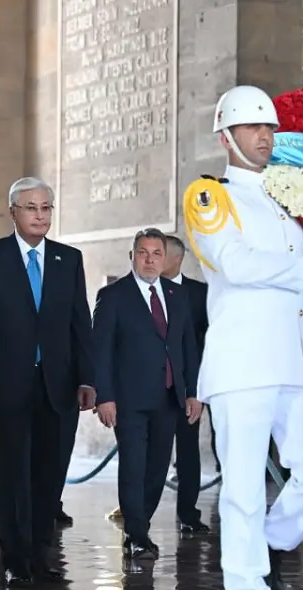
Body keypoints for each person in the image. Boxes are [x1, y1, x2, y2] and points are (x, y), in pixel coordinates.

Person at [182, 85, 303, 590]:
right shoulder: (211, 196)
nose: (264, 136)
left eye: (270, 128)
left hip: (300, 358)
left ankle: (270, 548)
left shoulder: (288, 201)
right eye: (253, 128)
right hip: (244, 361)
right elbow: (233, 262)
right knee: (244, 489)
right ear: (226, 136)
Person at [0, 176, 95, 588]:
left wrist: (88, 378)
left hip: (58, 385)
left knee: (48, 476)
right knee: (11, 475)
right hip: (6, 384)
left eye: (46, 208)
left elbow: (80, 322)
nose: (40, 215)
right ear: (13, 212)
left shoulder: (68, 259)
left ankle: (40, 555)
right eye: (31, 208)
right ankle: (15, 559)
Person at [92, 228, 201, 559]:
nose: (150, 260)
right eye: (143, 253)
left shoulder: (176, 295)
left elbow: (187, 346)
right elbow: (101, 351)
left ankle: (141, 523)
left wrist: (193, 392)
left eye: (157, 254)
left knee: (157, 467)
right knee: (133, 465)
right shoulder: (113, 296)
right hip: (129, 399)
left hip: (168, 397)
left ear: (165, 259)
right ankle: (136, 534)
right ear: (132, 256)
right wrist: (104, 396)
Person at [161, 234, 213, 531]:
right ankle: (137, 517)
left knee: (188, 451)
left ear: (178, 258)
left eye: (160, 253)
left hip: (188, 387)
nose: (152, 258)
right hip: (150, 384)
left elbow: (209, 340)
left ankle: (188, 515)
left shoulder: (200, 294)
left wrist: (199, 386)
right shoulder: (140, 290)